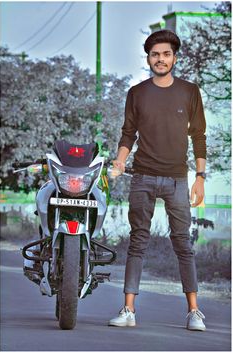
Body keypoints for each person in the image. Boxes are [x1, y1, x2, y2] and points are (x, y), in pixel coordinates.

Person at [109, 30, 207, 331]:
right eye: (155, 54)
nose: (160, 59)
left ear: (174, 58)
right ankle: (128, 310)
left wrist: (200, 177)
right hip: (143, 176)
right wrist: (121, 159)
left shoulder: (190, 92)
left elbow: (199, 136)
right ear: (148, 58)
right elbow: (128, 133)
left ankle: (194, 312)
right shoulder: (136, 93)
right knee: (138, 241)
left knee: (183, 244)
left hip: (178, 178)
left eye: (165, 54)